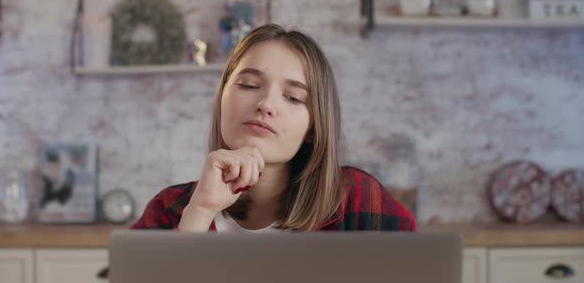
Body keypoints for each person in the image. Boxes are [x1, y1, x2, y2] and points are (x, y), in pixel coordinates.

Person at [131, 24, 416, 232]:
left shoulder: (356, 198)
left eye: (293, 98)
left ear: (314, 128)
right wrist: (201, 211)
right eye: (249, 85)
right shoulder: (168, 209)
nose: (266, 104)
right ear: (221, 100)